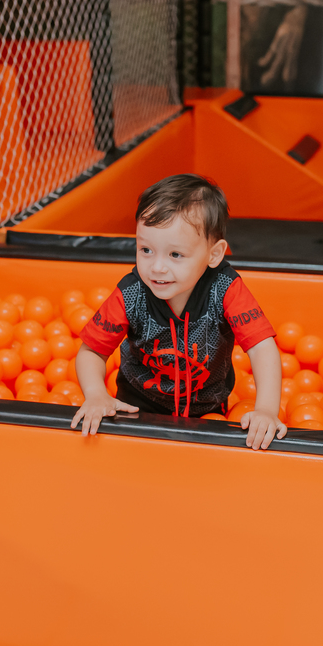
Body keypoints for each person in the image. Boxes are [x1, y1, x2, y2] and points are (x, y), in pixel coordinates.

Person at [71, 175, 286, 449]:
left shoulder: (226, 289)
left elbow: (262, 348)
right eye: (146, 250)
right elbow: (91, 351)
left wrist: (266, 410)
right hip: (136, 408)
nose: (157, 267)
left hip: (206, 412)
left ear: (214, 254)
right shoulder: (131, 293)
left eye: (175, 255)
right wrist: (96, 394)